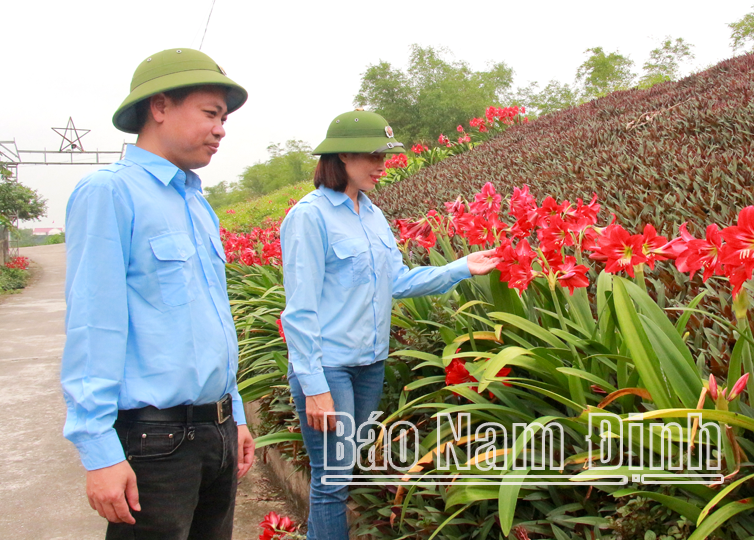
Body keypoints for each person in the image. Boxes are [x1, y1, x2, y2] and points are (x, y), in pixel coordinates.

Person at [61, 48, 255, 540]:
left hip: (215, 435)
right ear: (161, 106)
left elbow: (212, 323)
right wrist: (99, 451)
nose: (221, 129)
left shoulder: (196, 203)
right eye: (211, 113)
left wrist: (233, 415)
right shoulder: (110, 193)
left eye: (224, 118)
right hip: (155, 442)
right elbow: (93, 325)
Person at [280, 110, 500, 540]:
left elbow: (396, 280)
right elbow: (299, 310)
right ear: (342, 155)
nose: (382, 165)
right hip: (329, 368)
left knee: (343, 468)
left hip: (369, 365)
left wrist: (459, 267)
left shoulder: (372, 214)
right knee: (332, 481)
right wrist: (314, 385)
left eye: (385, 155)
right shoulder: (310, 216)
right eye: (373, 155)